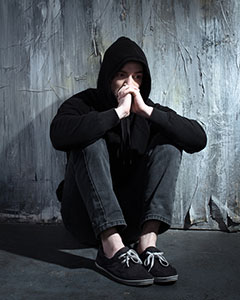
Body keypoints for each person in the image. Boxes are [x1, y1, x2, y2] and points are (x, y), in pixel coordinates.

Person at [50, 37, 207, 286]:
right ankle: (110, 250)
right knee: (88, 137)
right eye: (122, 75)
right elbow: (58, 135)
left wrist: (147, 112)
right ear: (108, 77)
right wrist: (117, 114)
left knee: (169, 142)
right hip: (85, 220)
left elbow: (198, 139)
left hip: (132, 224)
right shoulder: (84, 103)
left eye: (138, 77)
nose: (130, 84)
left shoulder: (146, 107)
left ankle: (148, 246)